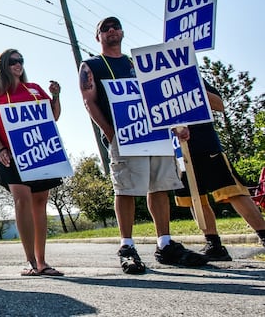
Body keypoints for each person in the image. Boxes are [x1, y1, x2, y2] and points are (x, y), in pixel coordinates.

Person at [79, 16, 207, 274]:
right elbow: (89, 101)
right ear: (98, 37)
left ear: (122, 32)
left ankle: (165, 244)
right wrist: (110, 133)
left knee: (159, 187)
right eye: (105, 28)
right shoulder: (91, 65)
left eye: (116, 26)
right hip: (123, 135)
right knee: (125, 189)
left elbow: (160, 95)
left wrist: (176, 125)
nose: (112, 30)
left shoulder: (138, 64)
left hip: (155, 135)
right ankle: (127, 246)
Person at [0, 49, 64, 276]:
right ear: (3, 66)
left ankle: (42, 261)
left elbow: (53, 116)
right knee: (22, 201)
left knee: (40, 203)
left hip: (40, 152)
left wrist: (55, 96)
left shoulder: (35, 89)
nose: (18, 65)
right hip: (11, 155)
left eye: (21, 61)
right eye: (13, 61)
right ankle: (30, 262)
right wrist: (0, 148)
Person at [173, 80, 265, 260]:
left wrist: (189, 86)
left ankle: (263, 235)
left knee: (232, 191)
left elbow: (219, 105)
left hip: (205, 144)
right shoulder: (149, 83)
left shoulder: (190, 75)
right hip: (177, 150)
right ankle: (213, 243)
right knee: (194, 198)